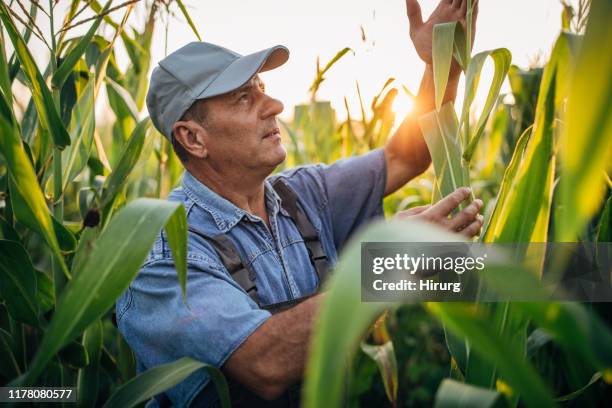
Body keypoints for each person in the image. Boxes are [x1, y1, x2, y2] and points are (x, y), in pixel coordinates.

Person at [116, 0, 481, 406]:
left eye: (262, 90)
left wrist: (440, 61)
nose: (274, 107)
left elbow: (404, 157)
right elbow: (265, 362)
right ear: (193, 138)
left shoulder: (304, 194)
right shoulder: (165, 254)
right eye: (242, 98)